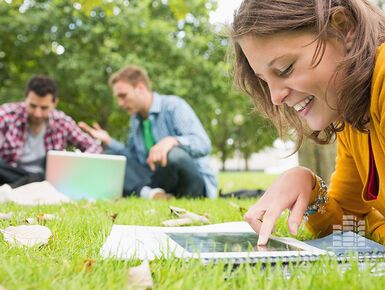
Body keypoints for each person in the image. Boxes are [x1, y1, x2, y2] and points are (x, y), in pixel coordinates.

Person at [231, 0, 385, 245]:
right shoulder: (352, 118)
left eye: (285, 69)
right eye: (265, 81)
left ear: (343, 29)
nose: (275, 97)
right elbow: (348, 223)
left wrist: (375, 226)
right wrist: (310, 188)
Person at [79, 65, 217, 199]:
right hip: (160, 180)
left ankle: (150, 193)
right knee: (110, 156)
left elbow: (203, 144)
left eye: (123, 95)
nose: (120, 103)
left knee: (174, 155)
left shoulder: (173, 106)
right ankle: (154, 194)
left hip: (191, 182)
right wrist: (108, 141)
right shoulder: (135, 120)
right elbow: (132, 158)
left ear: (140, 88)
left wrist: (173, 141)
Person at [0, 75, 103, 189]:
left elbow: (94, 146)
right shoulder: (6, 114)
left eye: (44, 108)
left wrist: (76, 166)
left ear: (54, 103)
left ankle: (11, 189)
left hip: (45, 178)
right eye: (33, 106)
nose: (37, 113)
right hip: (11, 173)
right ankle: (21, 187)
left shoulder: (62, 122)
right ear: (26, 98)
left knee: (41, 177)